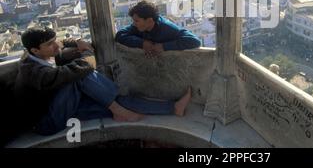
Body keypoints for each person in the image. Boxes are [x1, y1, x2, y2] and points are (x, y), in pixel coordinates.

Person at [14, 27, 191, 136]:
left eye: (54, 41)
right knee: (80, 76)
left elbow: (60, 42)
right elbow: (80, 69)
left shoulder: (40, 52)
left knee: (117, 102)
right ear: (35, 50)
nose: (56, 47)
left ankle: (173, 108)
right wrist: (88, 54)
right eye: (50, 44)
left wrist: (76, 41)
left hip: (64, 105)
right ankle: (118, 110)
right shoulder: (34, 71)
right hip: (48, 121)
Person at [115, 0, 201, 57]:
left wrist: (164, 46)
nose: (134, 23)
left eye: (137, 21)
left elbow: (194, 41)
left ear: (149, 21)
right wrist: (142, 43)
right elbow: (120, 35)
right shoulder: (137, 27)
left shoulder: (167, 28)